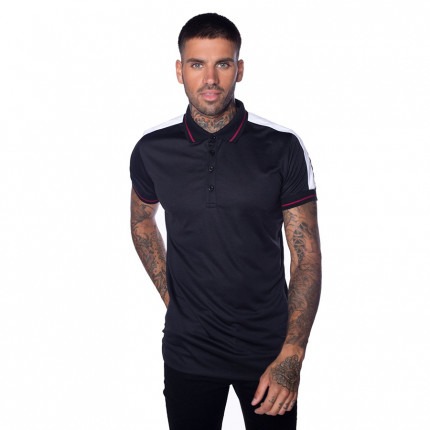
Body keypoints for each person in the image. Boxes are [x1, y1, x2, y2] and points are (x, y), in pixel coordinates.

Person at [130, 12, 321, 430]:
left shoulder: (282, 147)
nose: (210, 78)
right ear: (179, 70)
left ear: (240, 68)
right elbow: (142, 219)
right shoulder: (152, 149)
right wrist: (170, 294)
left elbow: (306, 257)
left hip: (268, 351)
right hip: (188, 351)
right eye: (197, 64)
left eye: (223, 63)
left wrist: (292, 355)